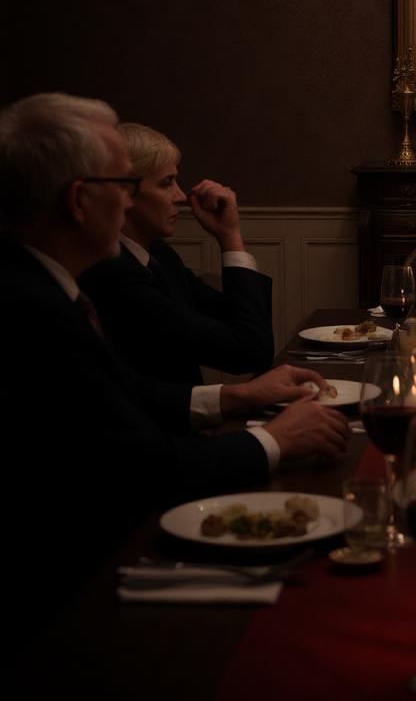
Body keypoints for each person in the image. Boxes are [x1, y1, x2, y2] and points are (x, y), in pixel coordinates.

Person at [0, 93, 349, 619]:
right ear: (78, 201)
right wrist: (272, 441)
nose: (131, 203)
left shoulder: (43, 283)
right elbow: (143, 467)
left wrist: (237, 396)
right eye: (123, 185)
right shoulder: (30, 309)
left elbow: (125, 394)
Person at [80, 122, 273, 384]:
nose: (181, 196)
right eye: (166, 183)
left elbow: (244, 329)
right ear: (123, 195)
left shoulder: (159, 253)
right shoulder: (113, 274)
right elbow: (247, 352)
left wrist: (229, 236)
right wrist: (231, 237)